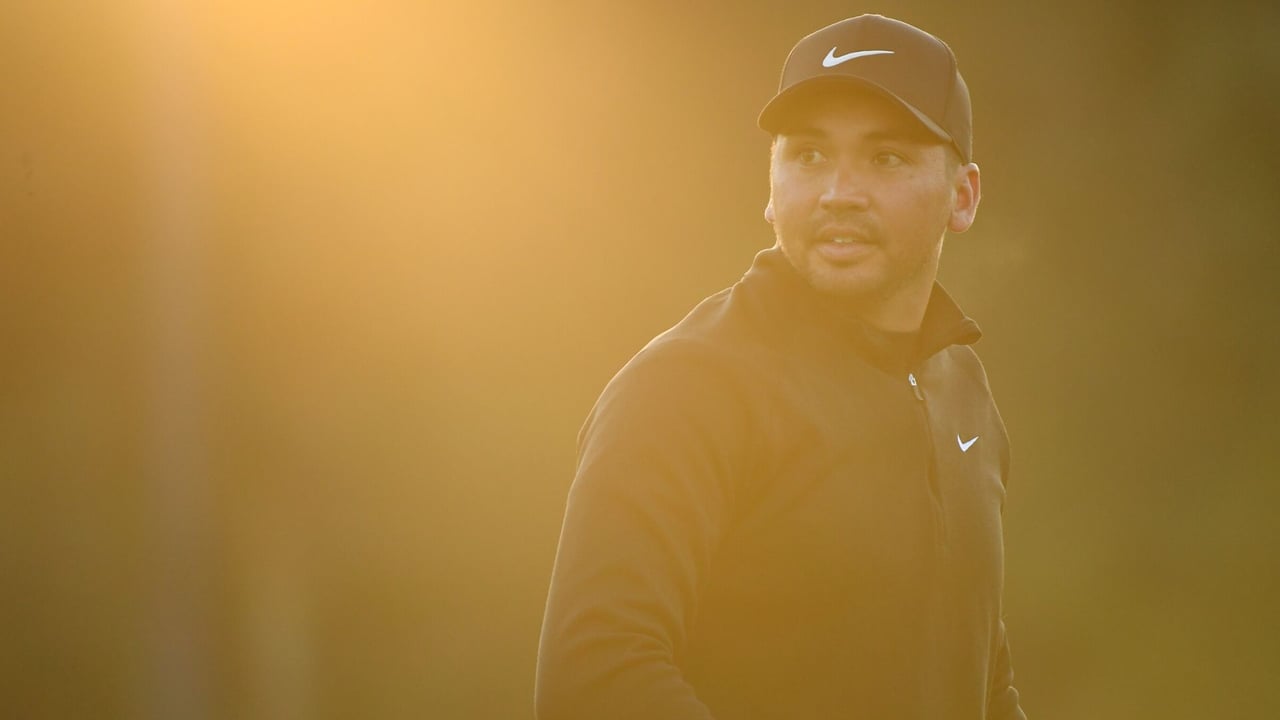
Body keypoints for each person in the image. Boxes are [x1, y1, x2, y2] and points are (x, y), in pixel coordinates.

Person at [536, 14, 1026, 720]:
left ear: (964, 195)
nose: (838, 192)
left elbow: (982, 678)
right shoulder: (686, 387)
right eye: (808, 156)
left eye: (885, 158)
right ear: (770, 186)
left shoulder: (964, 393)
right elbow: (597, 678)